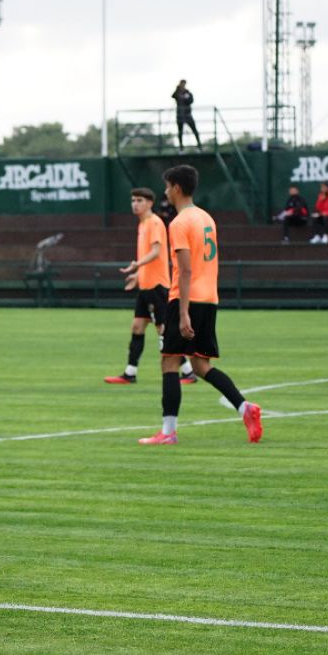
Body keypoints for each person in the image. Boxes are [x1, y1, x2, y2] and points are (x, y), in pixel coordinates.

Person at [139, 165, 262, 446]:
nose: (165, 192)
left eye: (168, 186)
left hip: (186, 299)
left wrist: (182, 312)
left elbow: (184, 270)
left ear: (177, 188)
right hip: (209, 298)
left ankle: (168, 432)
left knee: (169, 360)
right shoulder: (206, 218)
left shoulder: (179, 223)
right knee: (201, 365)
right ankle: (246, 409)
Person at [105, 188, 195, 386]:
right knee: (137, 327)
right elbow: (150, 257)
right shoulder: (142, 224)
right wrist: (137, 276)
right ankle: (130, 373)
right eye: (133, 200)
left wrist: (137, 265)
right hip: (145, 287)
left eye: (139, 200)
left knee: (164, 330)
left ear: (149, 203)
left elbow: (156, 252)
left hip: (157, 287)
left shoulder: (154, 222)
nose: (134, 204)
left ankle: (188, 372)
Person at [172, 80, 202, 151]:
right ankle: (181, 148)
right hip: (180, 115)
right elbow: (173, 96)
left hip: (187, 114)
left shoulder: (188, 92)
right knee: (180, 132)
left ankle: (199, 146)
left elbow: (191, 101)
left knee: (194, 130)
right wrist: (177, 89)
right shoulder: (177, 92)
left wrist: (186, 97)